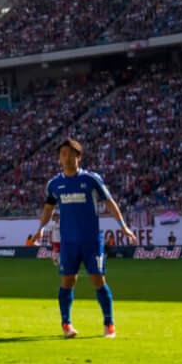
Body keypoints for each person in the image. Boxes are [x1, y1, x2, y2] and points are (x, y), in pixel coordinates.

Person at [35, 138, 136, 339]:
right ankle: (67, 324)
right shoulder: (54, 184)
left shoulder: (91, 180)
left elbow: (109, 202)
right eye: (63, 154)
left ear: (78, 157)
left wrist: (123, 226)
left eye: (71, 154)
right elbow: (48, 208)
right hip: (68, 242)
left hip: (91, 240)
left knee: (98, 280)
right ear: (59, 158)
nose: (67, 157)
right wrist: (41, 228)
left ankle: (109, 324)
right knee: (67, 281)